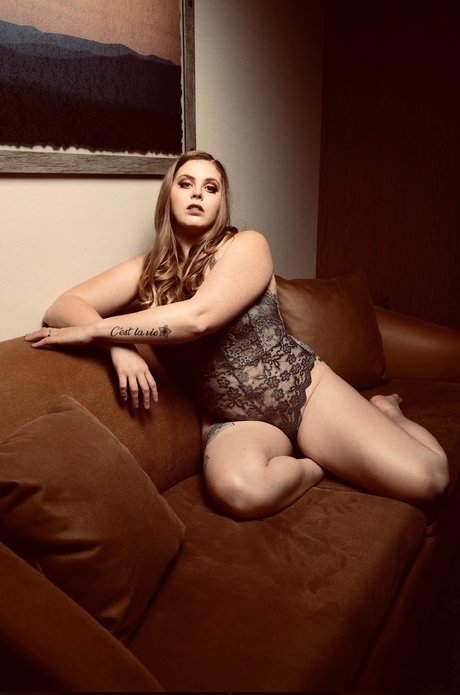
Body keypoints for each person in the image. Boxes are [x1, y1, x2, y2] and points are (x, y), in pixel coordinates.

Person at [25, 150, 449, 519]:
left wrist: (98, 330)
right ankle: (317, 463)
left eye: (210, 188)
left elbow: (199, 317)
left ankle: (387, 413)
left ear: (221, 202)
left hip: (303, 392)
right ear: (169, 195)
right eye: (186, 183)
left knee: (431, 479)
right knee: (239, 492)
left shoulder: (247, 245)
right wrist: (117, 346)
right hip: (234, 420)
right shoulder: (146, 270)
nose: (197, 193)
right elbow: (63, 305)